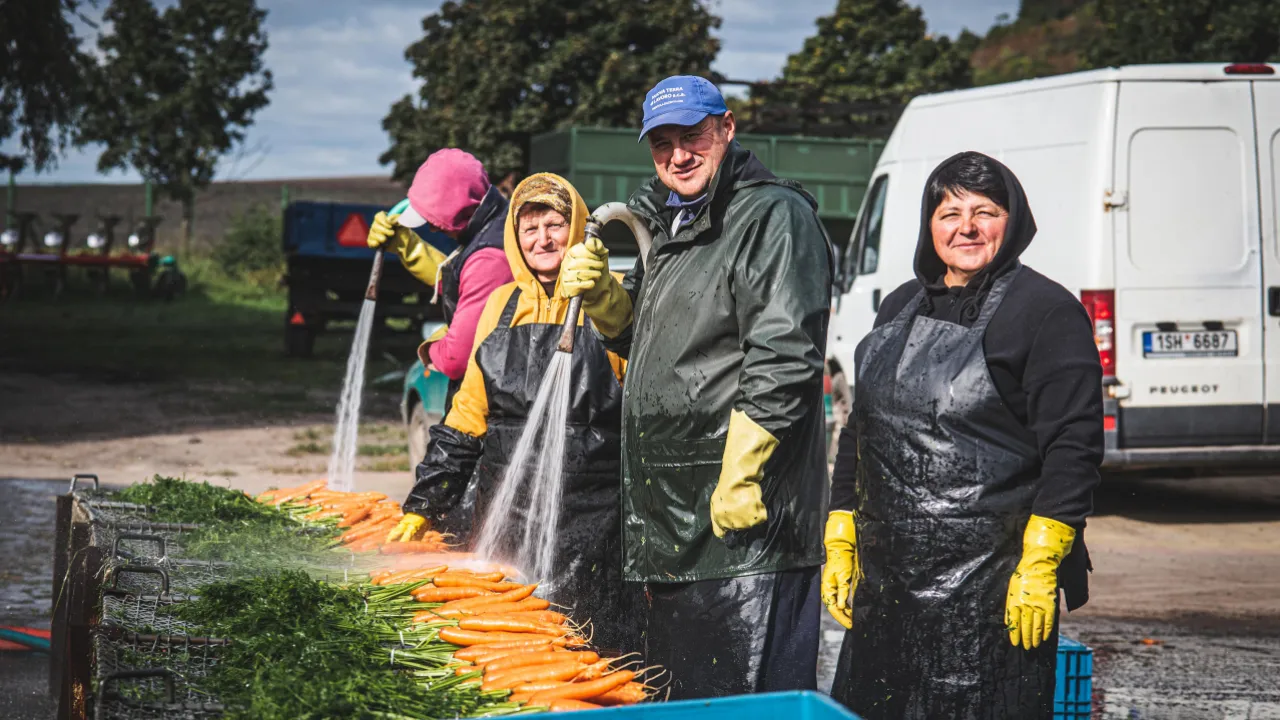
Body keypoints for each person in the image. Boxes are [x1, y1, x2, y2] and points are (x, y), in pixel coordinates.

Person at [559, 75, 833, 698]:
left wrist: (741, 473)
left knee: (748, 705)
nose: (678, 155)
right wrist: (606, 299)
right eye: (662, 143)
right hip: (678, 520)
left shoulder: (773, 216)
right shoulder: (674, 225)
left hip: (747, 532)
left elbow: (785, 352)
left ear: (727, 129)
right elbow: (652, 344)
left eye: (694, 136)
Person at [824, 151, 1103, 719]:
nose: (966, 227)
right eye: (950, 212)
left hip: (991, 591)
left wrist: (1044, 558)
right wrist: (839, 528)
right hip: (889, 584)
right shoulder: (900, 305)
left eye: (985, 211)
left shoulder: (1046, 312)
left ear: (1013, 220)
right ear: (931, 225)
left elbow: (1073, 446)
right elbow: (862, 428)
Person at [385, 173, 644, 653]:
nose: (543, 239)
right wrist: (426, 502)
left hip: (593, 525)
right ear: (514, 237)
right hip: (504, 514)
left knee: (591, 656)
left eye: (555, 224)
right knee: (506, 649)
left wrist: (605, 296)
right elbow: (467, 415)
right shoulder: (502, 305)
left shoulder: (612, 295)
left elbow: (642, 383)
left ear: (581, 227)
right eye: (530, 228)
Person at [366, 149, 512, 413]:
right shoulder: (492, 231)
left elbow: (457, 359)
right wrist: (405, 246)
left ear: (457, 205)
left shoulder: (490, 257)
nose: (432, 228)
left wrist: (435, 347)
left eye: (433, 219)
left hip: (496, 410)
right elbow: (458, 279)